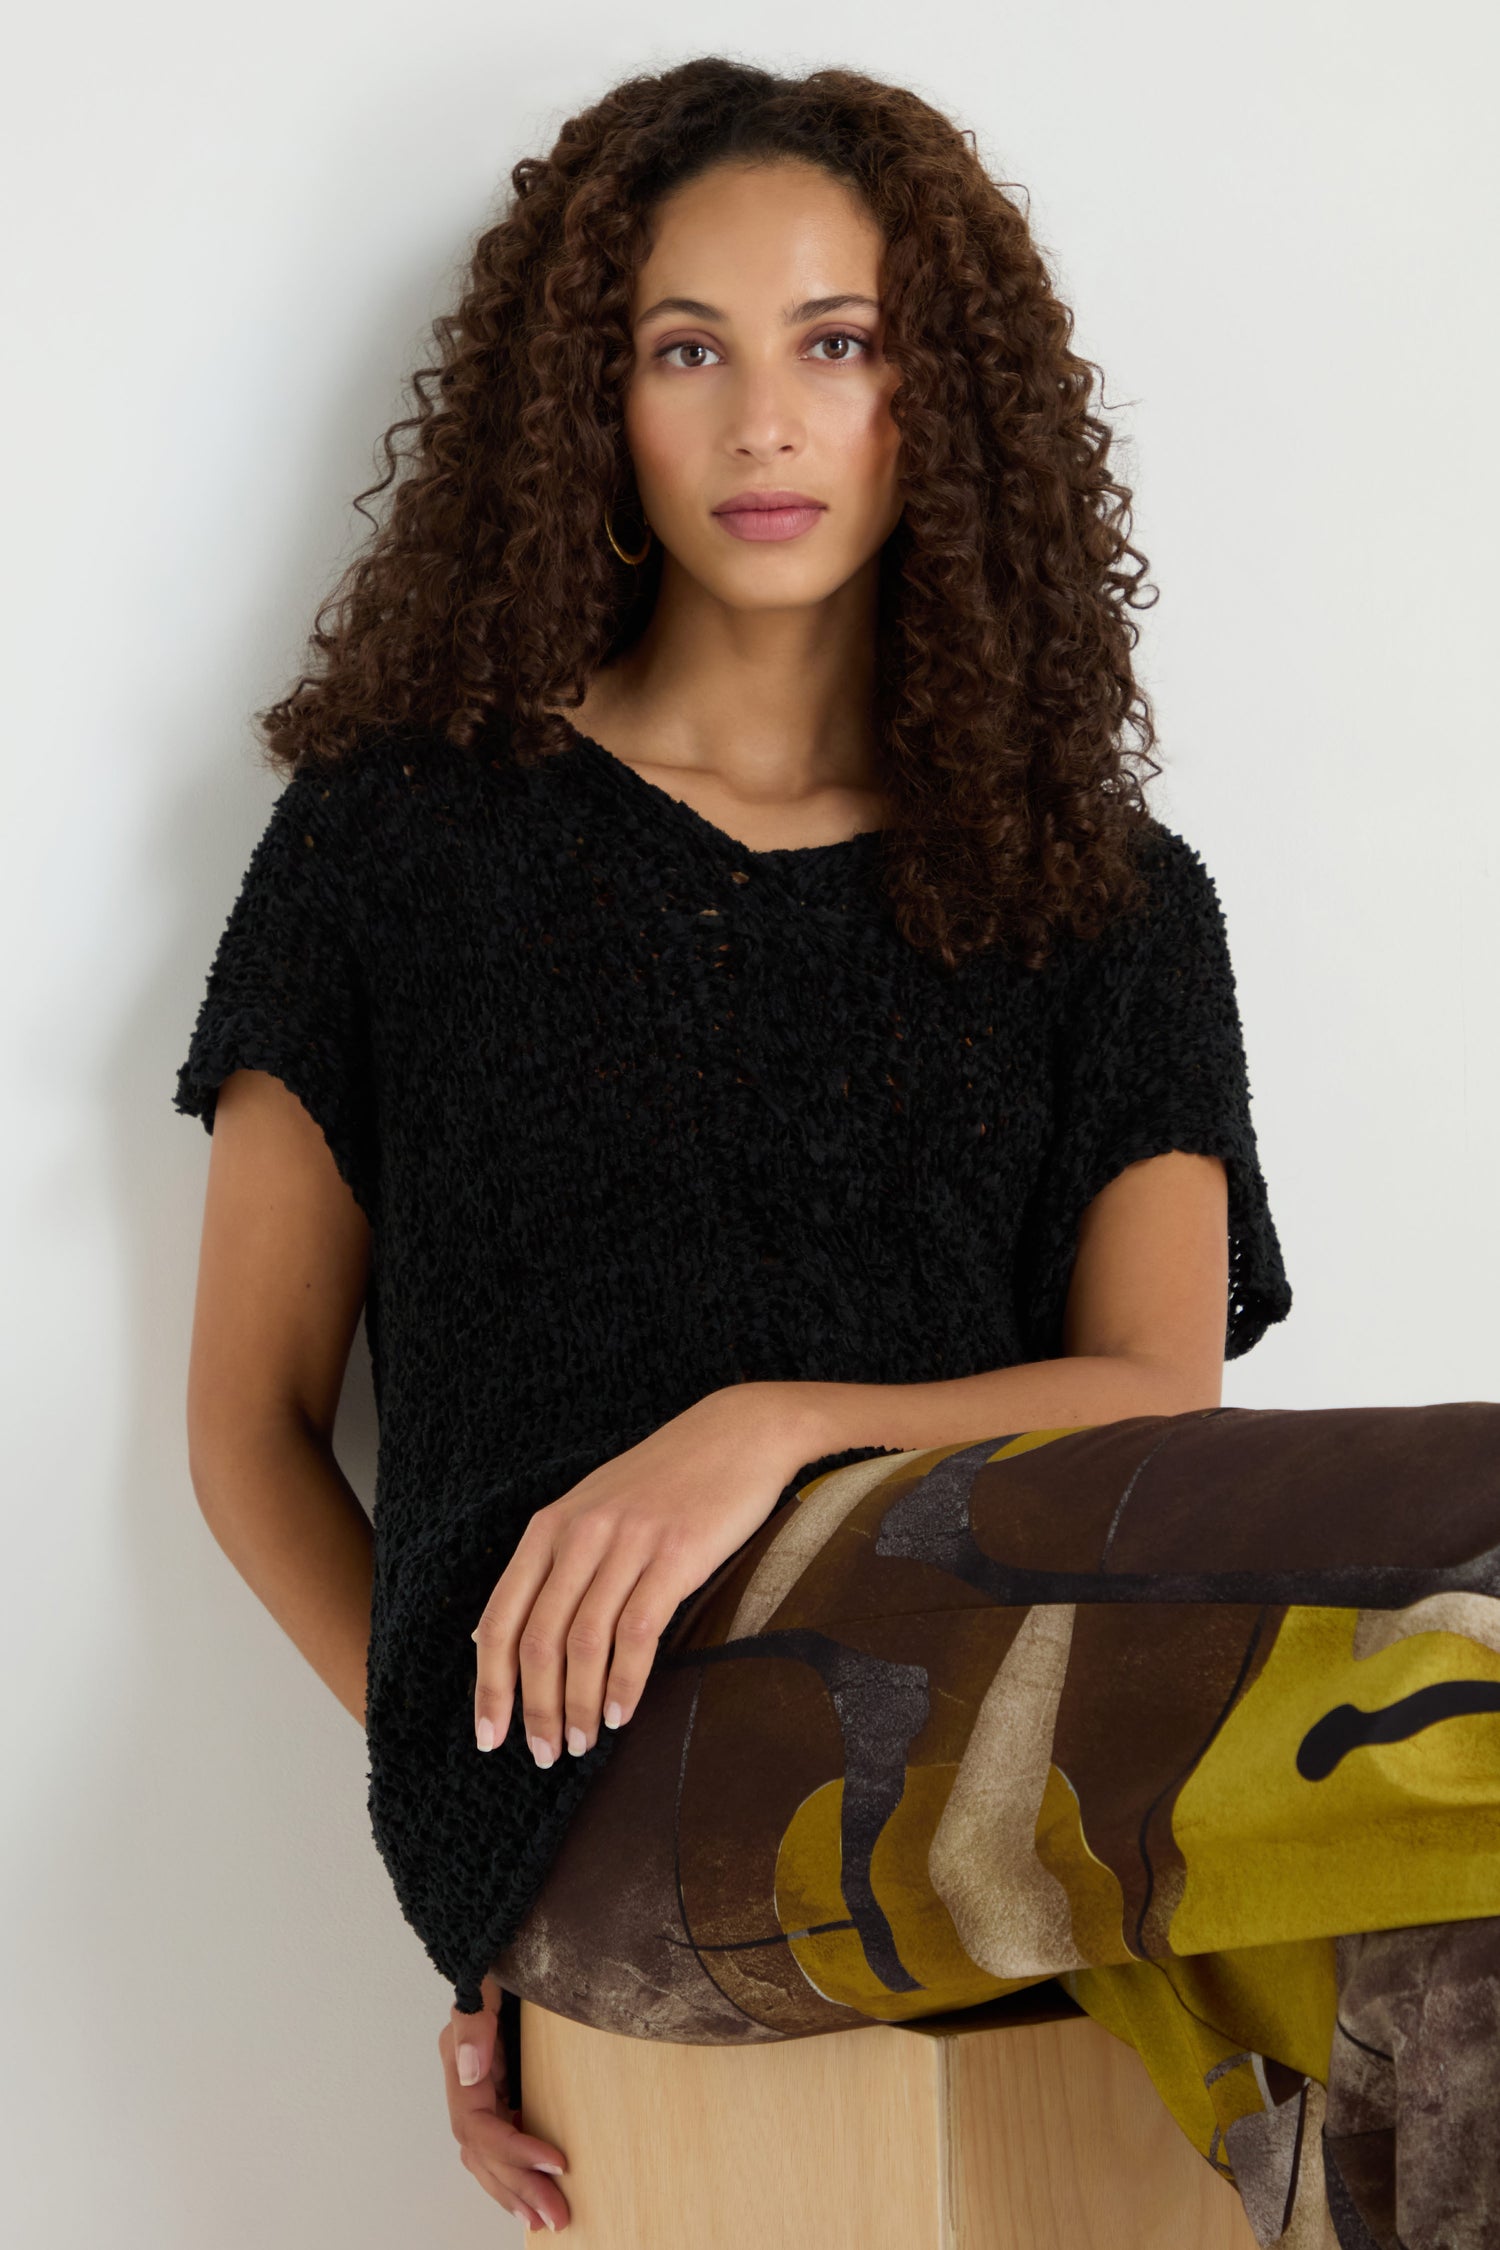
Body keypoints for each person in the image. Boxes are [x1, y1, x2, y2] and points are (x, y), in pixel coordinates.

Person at [174, 55, 1500, 2249]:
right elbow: (244, 1436)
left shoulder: (1107, 899)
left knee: (1455, 1968)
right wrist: (459, 1826)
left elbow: (1153, 1412)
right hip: (612, 1783)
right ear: (589, 401)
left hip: (1044, 1683)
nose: (763, 421)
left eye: (838, 345)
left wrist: (767, 1431)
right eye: (685, 348)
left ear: (936, 398)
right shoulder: (399, 847)